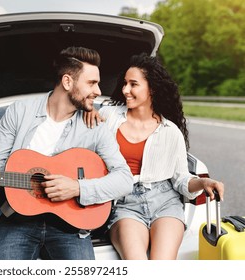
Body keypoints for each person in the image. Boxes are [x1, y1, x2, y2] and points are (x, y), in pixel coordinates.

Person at [0, 46, 133, 260]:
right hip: (15, 219)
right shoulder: (19, 112)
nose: (98, 90)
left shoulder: (95, 126)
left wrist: (77, 187)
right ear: (67, 82)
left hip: (70, 226)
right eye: (91, 83)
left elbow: (124, 179)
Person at [84, 53, 224, 260]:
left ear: (153, 89)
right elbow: (82, 152)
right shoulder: (108, 117)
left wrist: (204, 182)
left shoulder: (170, 131)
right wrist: (86, 112)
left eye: (133, 84)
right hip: (124, 203)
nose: (125, 90)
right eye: (124, 83)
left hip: (165, 201)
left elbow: (181, 180)